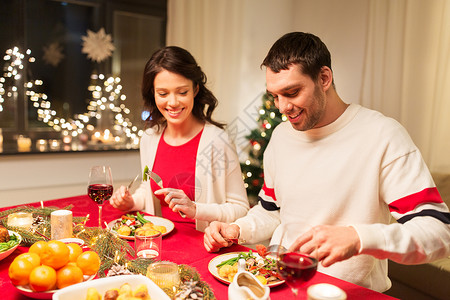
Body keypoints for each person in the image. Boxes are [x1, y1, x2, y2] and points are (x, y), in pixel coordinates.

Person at [203, 32, 450, 292]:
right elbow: (270, 210)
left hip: (348, 292)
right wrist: (237, 228)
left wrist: (358, 237)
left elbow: (438, 231)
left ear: (324, 78)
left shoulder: (383, 135)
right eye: (275, 96)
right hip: (282, 284)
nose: (282, 107)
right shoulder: (280, 137)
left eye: (292, 92)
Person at [110, 46, 249, 232]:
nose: (173, 103)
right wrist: (130, 202)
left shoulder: (218, 141)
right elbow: (148, 188)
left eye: (182, 92)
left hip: (204, 247)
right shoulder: (149, 139)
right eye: (163, 93)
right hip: (159, 244)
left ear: (195, 90)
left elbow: (240, 209)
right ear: (153, 93)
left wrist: (196, 209)